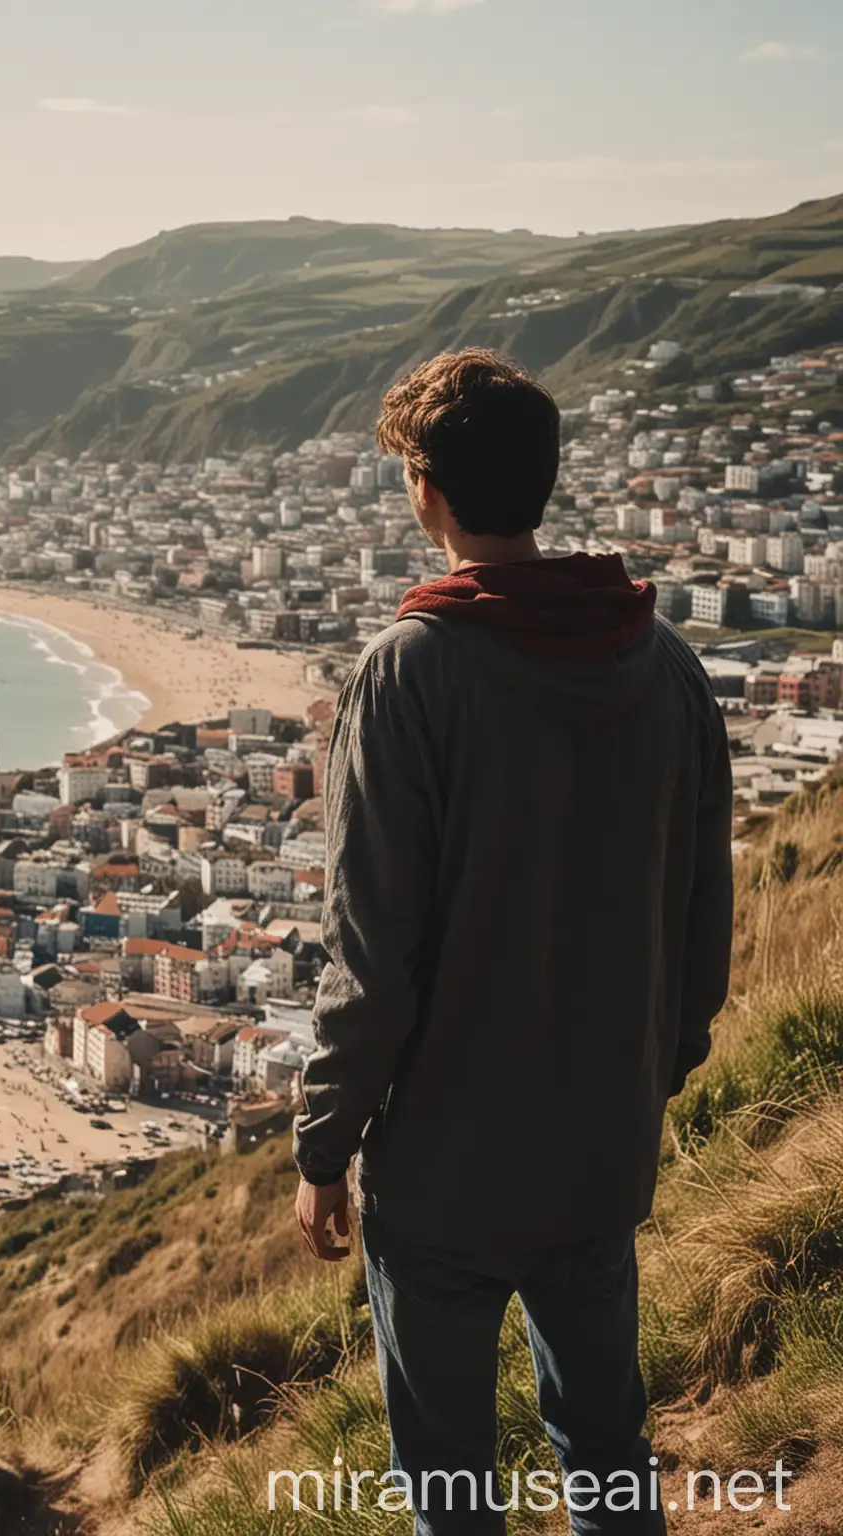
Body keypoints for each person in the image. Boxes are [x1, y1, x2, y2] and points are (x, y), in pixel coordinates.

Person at [292, 349, 733, 1534]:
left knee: (448, 1479)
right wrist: (653, 1074)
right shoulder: (667, 666)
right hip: (600, 1143)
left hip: (444, 1170)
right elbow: (704, 919)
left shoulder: (410, 675)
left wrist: (323, 1145)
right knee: (605, 1447)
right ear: (539, 482)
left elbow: (372, 958)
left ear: (424, 491)